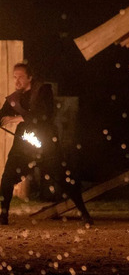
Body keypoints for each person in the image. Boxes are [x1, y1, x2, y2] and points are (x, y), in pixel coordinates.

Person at [0, 63, 93, 225]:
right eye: (15, 77)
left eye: (21, 76)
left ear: (30, 77)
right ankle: (3, 216)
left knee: (64, 179)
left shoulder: (43, 92)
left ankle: (85, 214)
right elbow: (2, 116)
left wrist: (16, 119)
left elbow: (44, 115)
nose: (17, 80)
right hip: (23, 148)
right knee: (7, 178)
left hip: (46, 145)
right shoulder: (15, 99)